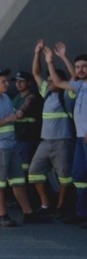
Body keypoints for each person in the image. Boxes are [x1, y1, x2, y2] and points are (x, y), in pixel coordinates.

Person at [0, 68, 36, 226]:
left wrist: (16, 115)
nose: (7, 84)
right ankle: (2, 216)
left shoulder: (6, 99)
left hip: (10, 145)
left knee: (18, 181)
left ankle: (28, 213)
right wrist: (9, 119)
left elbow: (9, 117)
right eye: (3, 81)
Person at [30, 41, 76, 218]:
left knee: (65, 177)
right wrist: (37, 54)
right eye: (48, 80)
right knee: (34, 173)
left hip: (63, 142)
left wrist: (56, 60)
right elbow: (35, 73)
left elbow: (73, 77)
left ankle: (61, 206)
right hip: (45, 142)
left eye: (53, 80)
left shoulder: (68, 95)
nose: (49, 83)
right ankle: (45, 204)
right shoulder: (47, 93)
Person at [44, 42, 87, 227]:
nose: (80, 70)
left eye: (84, 66)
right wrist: (52, 61)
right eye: (78, 67)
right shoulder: (79, 86)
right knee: (78, 176)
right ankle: (82, 212)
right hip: (80, 138)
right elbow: (60, 81)